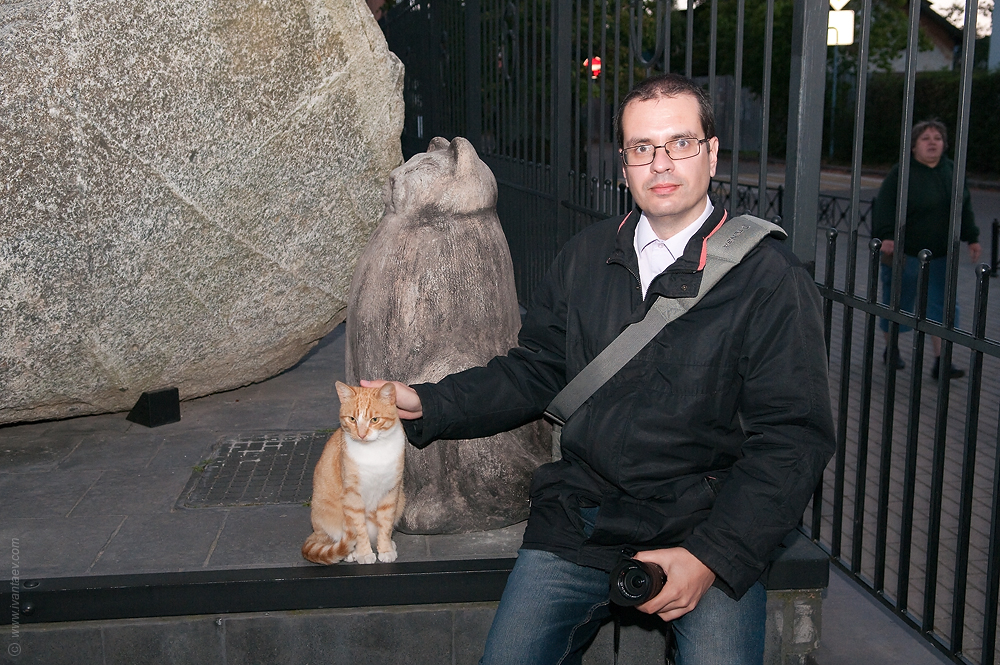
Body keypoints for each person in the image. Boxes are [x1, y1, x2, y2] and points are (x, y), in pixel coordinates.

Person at [364, 73, 835, 664]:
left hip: (704, 525)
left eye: (680, 143)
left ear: (712, 154)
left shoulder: (769, 279)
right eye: (642, 148)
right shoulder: (586, 256)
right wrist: (428, 401)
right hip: (582, 516)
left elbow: (792, 437)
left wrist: (712, 558)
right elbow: (537, 371)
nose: (661, 163)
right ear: (624, 164)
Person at [872, 119, 981, 380]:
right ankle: (892, 348)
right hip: (905, 253)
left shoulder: (952, 171)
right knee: (898, 302)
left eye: (937, 138)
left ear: (944, 144)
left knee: (942, 307)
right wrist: (886, 236)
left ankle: (942, 361)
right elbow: (885, 205)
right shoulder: (901, 173)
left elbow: (963, 207)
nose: (932, 142)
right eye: (925, 138)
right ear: (913, 146)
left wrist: (972, 237)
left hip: (942, 254)